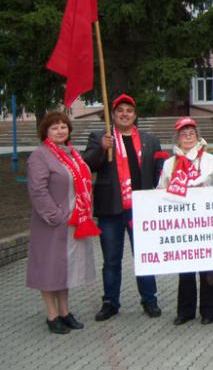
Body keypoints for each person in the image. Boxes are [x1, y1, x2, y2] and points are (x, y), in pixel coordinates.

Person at [83, 93, 165, 321]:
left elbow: (161, 170)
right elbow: (87, 164)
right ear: (114, 115)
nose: (125, 114)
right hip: (111, 208)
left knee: (145, 256)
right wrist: (101, 148)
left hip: (142, 208)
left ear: (135, 115)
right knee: (111, 259)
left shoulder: (150, 139)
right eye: (120, 111)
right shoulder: (101, 136)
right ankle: (110, 302)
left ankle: (150, 299)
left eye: (129, 111)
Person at [27, 111, 99, 334]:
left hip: (74, 222)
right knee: (49, 270)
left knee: (64, 270)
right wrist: (56, 216)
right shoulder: (41, 155)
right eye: (54, 127)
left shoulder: (72, 155)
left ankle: (65, 312)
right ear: (46, 132)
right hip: (51, 224)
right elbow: (37, 190)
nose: (60, 130)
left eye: (63, 126)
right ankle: (52, 315)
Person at [157, 117, 213, 325]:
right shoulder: (169, 163)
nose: (187, 136)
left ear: (198, 136)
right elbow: (161, 190)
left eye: (191, 133)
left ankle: (209, 311)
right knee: (185, 267)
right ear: (177, 138)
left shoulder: (210, 160)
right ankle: (185, 311)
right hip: (181, 224)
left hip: (206, 222)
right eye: (183, 133)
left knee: (207, 267)